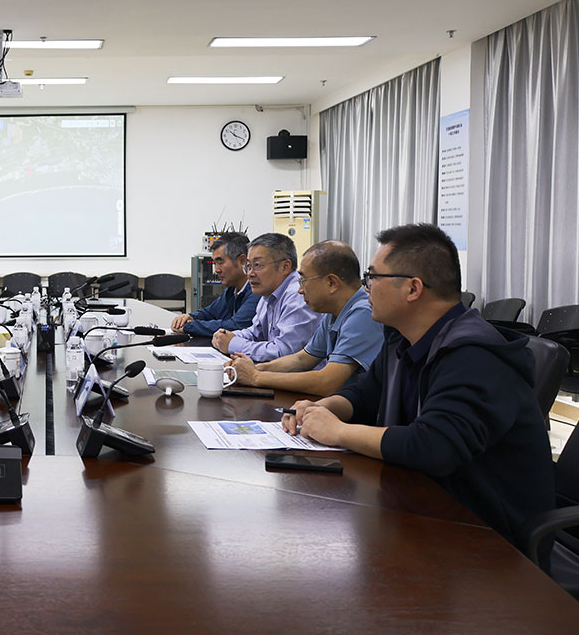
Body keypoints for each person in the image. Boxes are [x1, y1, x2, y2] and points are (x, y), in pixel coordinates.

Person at [282, 223, 554, 542]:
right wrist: (324, 408)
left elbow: (434, 446)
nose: (365, 288)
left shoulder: (474, 354)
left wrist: (338, 431)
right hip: (424, 505)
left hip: (485, 534)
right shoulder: (403, 338)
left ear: (413, 289)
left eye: (373, 277)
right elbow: (366, 393)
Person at [228, 240, 383, 397]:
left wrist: (255, 377)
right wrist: (252, 368)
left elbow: (327, 382)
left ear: (331, 283)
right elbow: (302, 359)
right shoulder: (334, 313)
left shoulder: (362, 313)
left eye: (304, 281)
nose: (300, 290)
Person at [211, 232, 320, 360]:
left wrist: (232, 344)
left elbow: (285, 352)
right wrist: (226, 336)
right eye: (248, 266)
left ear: (285, 267)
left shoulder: (298, 295)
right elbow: (255, 333)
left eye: (257, 265)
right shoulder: (268, 293)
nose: (250, 274)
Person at [170, 233, 259, 336]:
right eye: (214, 264)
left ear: (242, 261)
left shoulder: (256, 291)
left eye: (220, 262)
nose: (216, 270)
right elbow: (210, 313)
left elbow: (235, 326)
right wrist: (190, 317)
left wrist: (189, 327)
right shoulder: (232, 290)